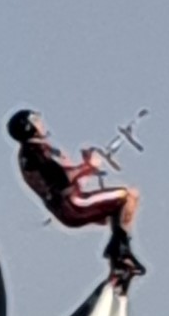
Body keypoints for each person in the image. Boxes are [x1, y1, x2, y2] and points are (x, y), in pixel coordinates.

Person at [8, 106, 145, 286]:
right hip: (73, 204)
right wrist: (88, 166)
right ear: (29, 127)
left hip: (66, 206)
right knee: (128, 197)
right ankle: (119, 254)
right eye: (35, 120)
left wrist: (86, 169)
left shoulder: (33, 152)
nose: (41, 122)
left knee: (115, 215)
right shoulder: (34, 152)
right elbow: (62, 178)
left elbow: (59, 178)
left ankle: (118, 264)